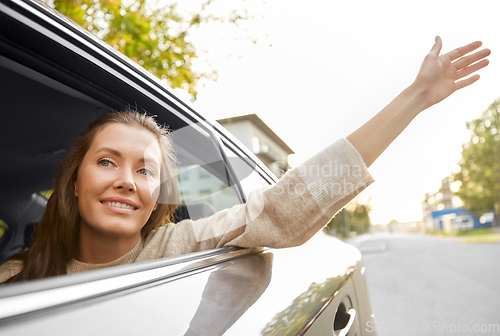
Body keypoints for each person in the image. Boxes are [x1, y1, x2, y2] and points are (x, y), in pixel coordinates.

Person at [0, 36, 491, 283]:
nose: (128, 180)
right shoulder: (17, 277)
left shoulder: (178, 245)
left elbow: (285, 208)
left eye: (146, 170)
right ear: (72, 183)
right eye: (107, 162)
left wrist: (416, 97)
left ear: (157, 200)